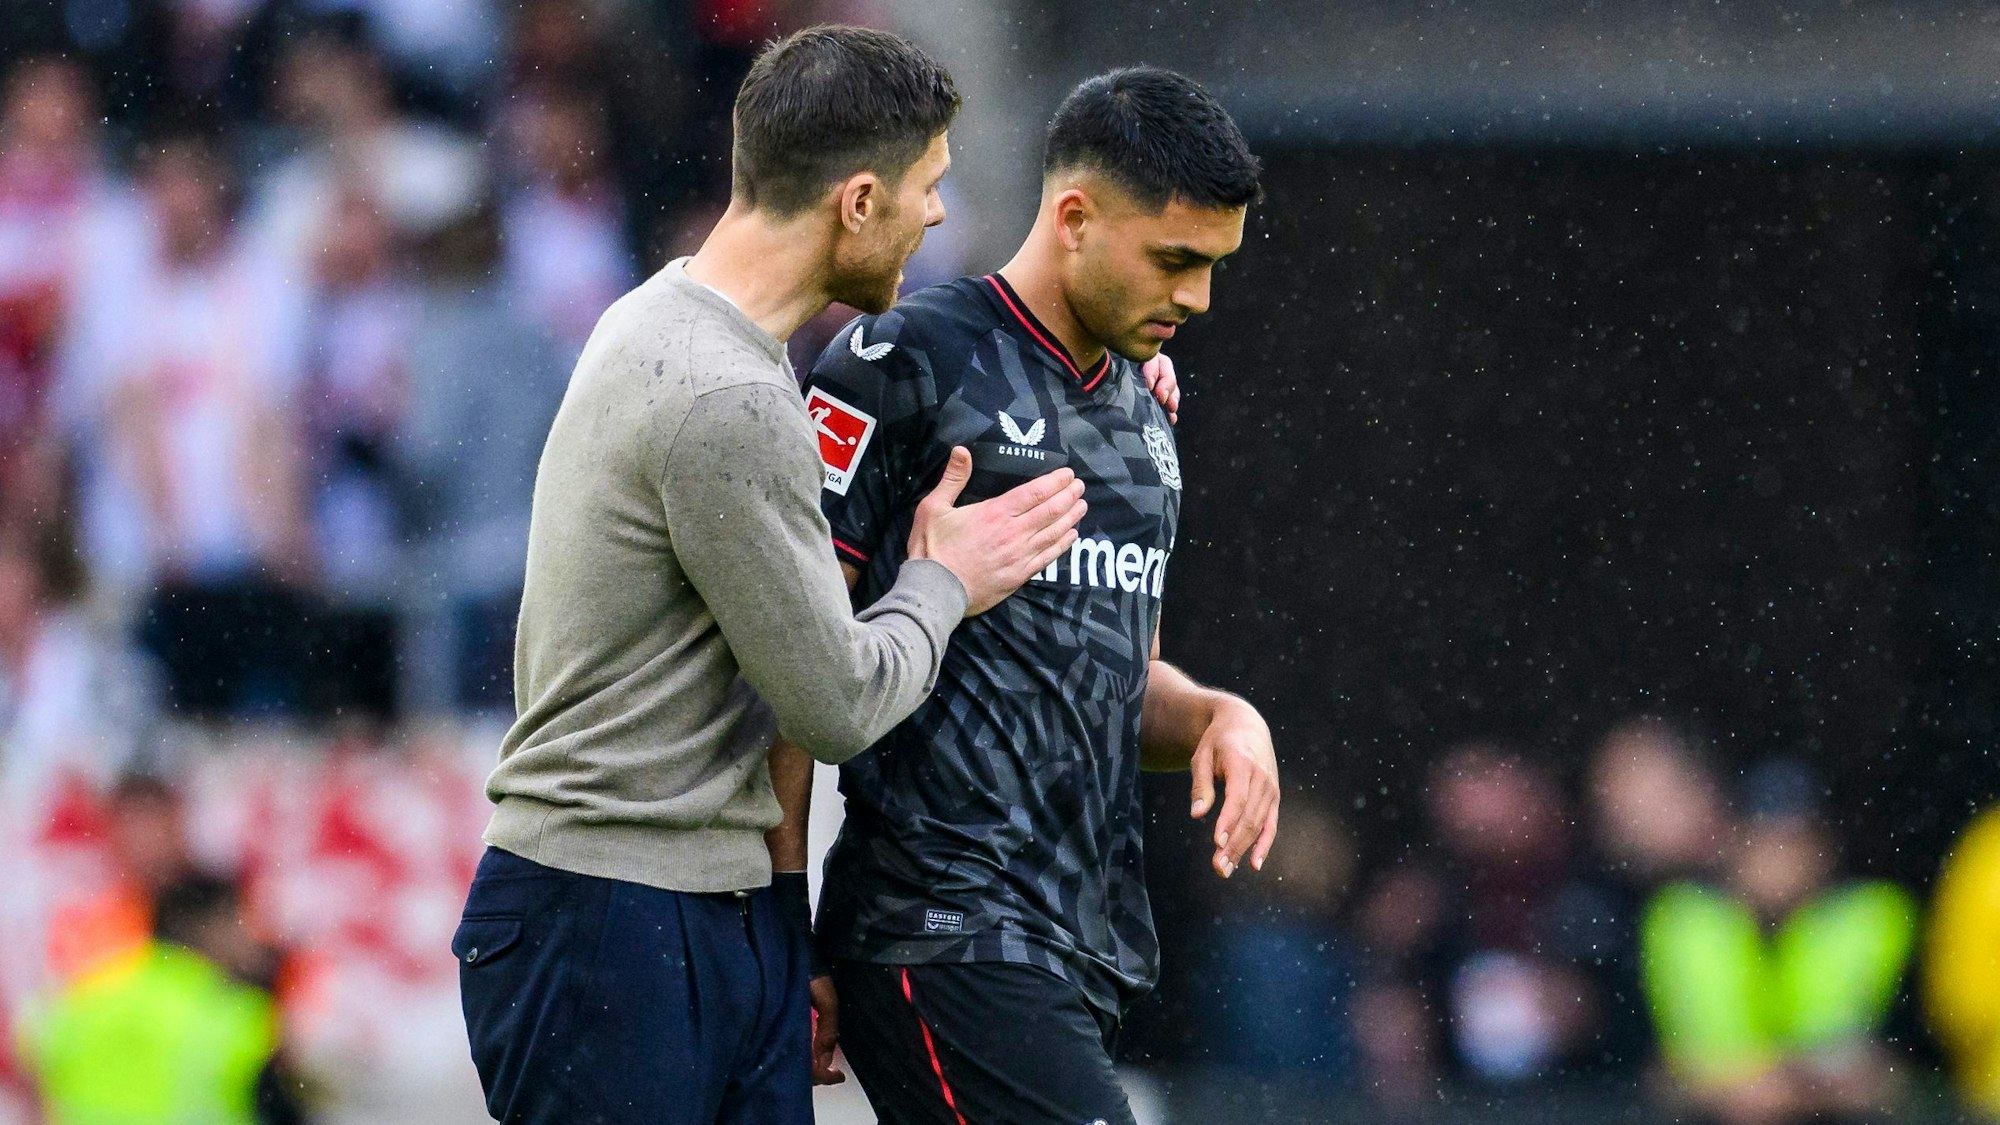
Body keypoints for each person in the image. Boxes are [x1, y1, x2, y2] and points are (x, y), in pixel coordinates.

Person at [452, 27, 1104, 1125]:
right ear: (857, 201)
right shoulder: (727, 396)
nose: (937, 215)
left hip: (682, 905)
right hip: (614, 918)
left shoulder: (663, 317)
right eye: (926, 186)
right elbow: (837, 703)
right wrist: (942, 579)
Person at [785, 67, 1279, 1125]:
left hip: (1078, 948)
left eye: (1213, 267)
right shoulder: (901, 362)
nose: (1196, 298)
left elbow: (1101, 677)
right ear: (1072, 217)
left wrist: (1211, 716)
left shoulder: (1147, 422)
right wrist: (787, 931)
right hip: (939, 928)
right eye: (1175, 260)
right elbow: (784, 663)